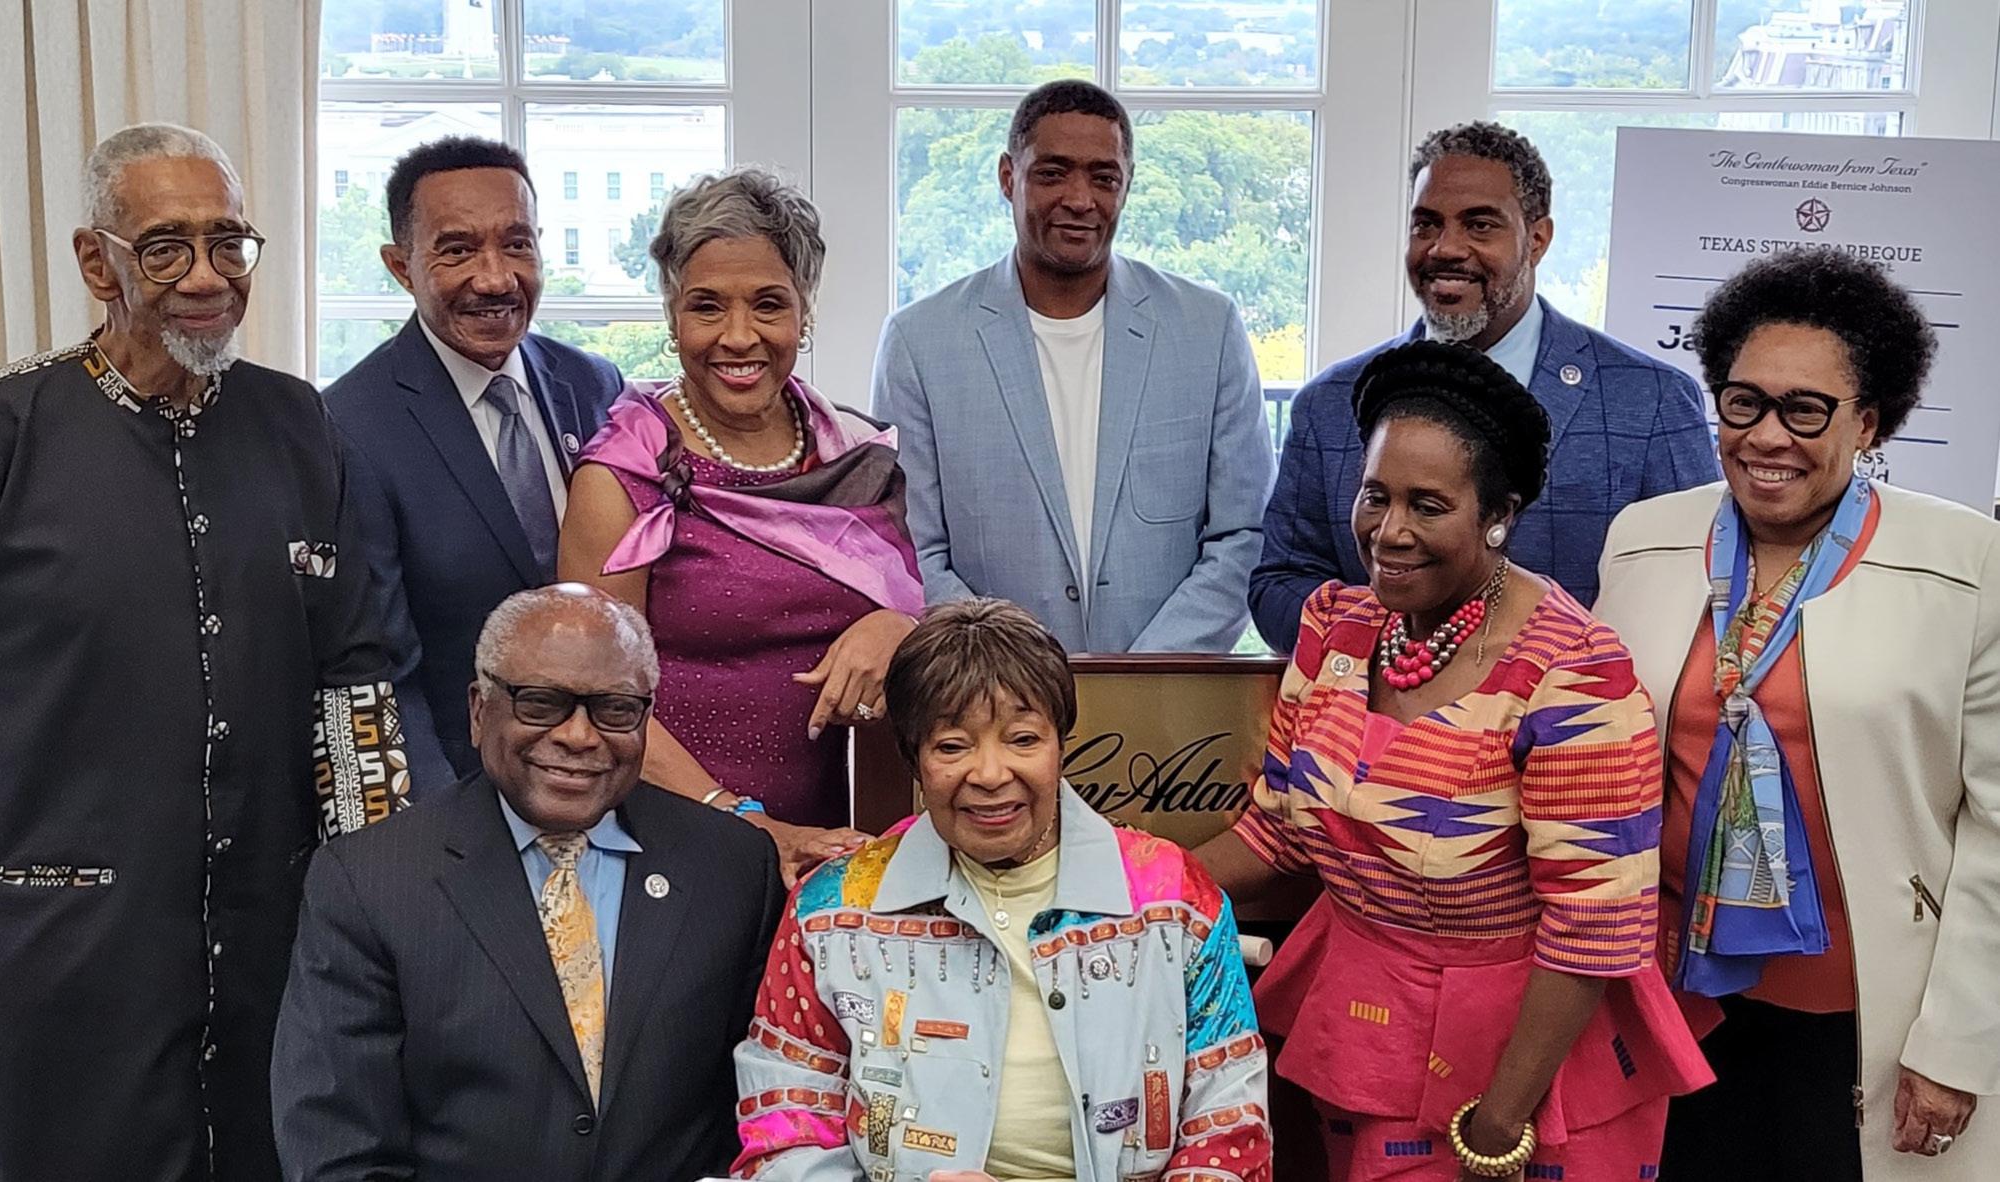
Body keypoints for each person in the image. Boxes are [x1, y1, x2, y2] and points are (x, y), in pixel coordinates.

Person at [0, 123, 409, 1182]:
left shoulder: (299, 425)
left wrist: (382, 892)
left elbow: (355, 686)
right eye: (166, 246)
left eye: (229, 242)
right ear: (97, 263)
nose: (207, 276)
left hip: (275, 928)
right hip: (65, 931)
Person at [1197, 342, 1710, 1180]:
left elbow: (1592, 931)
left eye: (1428, 505)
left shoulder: (1573, 675)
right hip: (1364, 1025)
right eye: (1376, 495)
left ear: (1498, 515)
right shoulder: (1335, 627)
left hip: (1520, 1057)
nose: (1389, 531)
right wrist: (1129, 881)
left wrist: (1500, 1125)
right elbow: (1278, 830)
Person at [1595, 248, 2000, 1181]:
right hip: (1666, 994)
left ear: (1869, 422)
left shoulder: (1967, 564)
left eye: (1805, 410)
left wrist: (1958, 1040)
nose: (1766, 436)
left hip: (1869, 1012)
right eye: (1744, 403)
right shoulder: (1643, 540)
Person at [732, 598, 1270, 1180]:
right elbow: (785, 1123)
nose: (990, 774)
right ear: (914, 758)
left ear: (1062, 746)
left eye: (1022, 739)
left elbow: (1228, 1123)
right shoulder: (832, 910)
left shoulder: (1174, 898)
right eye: (952, 746)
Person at [272, 585, 784, 1181]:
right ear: (478, 711)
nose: (579, 736)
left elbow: (763, 1113)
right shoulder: (370, 881)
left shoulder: (733, 866)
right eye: (541, 704)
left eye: (615, 709)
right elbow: (339, 1147)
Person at [560, 166, 921, 880]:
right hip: (673, 845)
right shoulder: (621, 476)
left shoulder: (856, 454)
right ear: (672, 316)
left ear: (804, 313)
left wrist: (901, 629)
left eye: (768, 304)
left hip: (847, 844)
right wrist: (748, 824)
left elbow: (920, 606)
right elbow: (596, 697)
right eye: (707, 306)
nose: (738, 336)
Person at [1249, 121, 1717, 653]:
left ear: (1537, 240)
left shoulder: (1650, 402)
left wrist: (1545, 667)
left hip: (1578, 705)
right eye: (1426, 225)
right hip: (1381, 701)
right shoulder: (1330, 404)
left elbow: (1694, 589)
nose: (1445, 248)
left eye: (1479, 225)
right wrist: (1409, 647)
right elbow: (1279, 586)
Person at [872, 79, 1271, 655]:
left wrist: (1142, 675)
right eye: (1053, 173)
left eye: (1104, 178)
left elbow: (1243, 535)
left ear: (1127, 185)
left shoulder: (1209, 329)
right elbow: (911, 548)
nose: (1080, 199)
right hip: (988, 691)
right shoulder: (919, 342)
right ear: (1008, 177)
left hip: (1167, 691)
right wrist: (1014, 672)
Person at [327, 136, 626, 784]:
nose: (495, 279)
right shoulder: (350, 427)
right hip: (466, 792)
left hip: (614, 776)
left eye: (517, 244)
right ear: (401, 267)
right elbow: (381, 671)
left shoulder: (596, 387)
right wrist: (443, 830)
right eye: (458, 250)